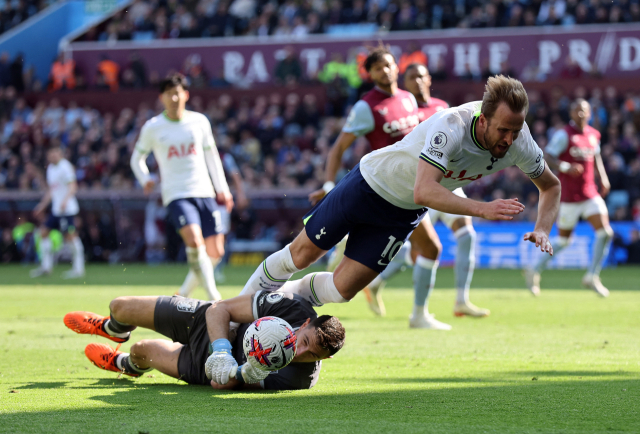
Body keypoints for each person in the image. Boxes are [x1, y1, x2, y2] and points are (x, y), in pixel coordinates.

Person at [237, 76, 560, 317]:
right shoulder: (451, 126)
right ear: (484, 119)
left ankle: (272, 302)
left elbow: (551, 185)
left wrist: (543, 227)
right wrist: (482, 209)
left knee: (342, 289)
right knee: (302, 254)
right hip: (368, 185)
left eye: (516, 131)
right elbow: (426, 189)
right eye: (503, 130)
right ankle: (236, 309)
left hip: (402, 213)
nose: (509, 139)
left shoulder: (521, 143)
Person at [365, 63, 489, 327]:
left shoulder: (443, 107)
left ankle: (461, 299)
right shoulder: (403, 111)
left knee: (467, 234)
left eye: (421, 76)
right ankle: (388, 289)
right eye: (412, 77)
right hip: (419, 186)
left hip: (449, 181)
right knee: (420, 249)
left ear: (429, 79)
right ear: (404, 82)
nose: (417, 81)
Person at [63, 291, 345, 390]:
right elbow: (219, 309)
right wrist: (221, 347)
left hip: (203, 366)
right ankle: (114, 329)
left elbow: (220, 384)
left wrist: (242, 369)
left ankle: (124, 363)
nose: (299, 351)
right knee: (121, 306)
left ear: (324, 360)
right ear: (305, 323)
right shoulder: (292, 308)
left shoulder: (297, 380)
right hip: (207, 325)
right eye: (304, 340)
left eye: (312, 355)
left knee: (141, 350)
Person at [130, 73, 233, 301]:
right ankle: (213, 297)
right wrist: (145, 177)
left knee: (216, 251)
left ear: (186, 95)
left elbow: (212, 157)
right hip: (176, 194)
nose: (174, 98)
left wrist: (222, 188)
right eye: (169, 94)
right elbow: (136, 158)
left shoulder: (200, 121)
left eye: (177, 93)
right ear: (162, 97)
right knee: (195, 242)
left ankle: (184, 292)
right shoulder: (153, 127)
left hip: (204, 191)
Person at [524, 99, 612, 297]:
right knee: (564, 241)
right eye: (576, 110)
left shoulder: (593, 134)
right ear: (571, 113)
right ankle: (534, 270)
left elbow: (596, 157)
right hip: (569, 197)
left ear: (589, 113)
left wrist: (603, 178)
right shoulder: (564, 134)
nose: (580, 114)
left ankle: (592, 276)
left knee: (605, 233)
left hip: (590, 193)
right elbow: (548, 156)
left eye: (583, 111)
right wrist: (566, 167)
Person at [31, 147, 85, 279]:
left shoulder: (65, 167)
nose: (52, 156)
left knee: (70, 237)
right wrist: (42, 205)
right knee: (43, 232)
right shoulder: (50, 168)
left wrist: (65, 201)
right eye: (50, 154)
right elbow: (51, 190)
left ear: (60, 154)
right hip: (56, 210)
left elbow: (73, 187)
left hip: (67, 210)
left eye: (54, 153)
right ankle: (46, 267)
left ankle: (78, 269)